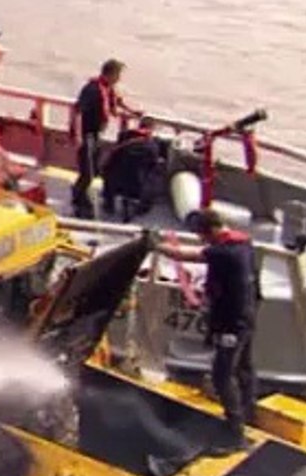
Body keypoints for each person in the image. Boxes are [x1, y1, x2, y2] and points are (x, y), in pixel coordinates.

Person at [155, 208, 259, 455]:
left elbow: (182, 254)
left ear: (211, 230)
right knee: (244, 367)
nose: (201, 239)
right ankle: (249, 414)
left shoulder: (224, 252)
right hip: (247, 316)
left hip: (232, 322)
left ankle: (236, 434)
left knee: (222, 376)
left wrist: (153, 245)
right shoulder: (244, 244)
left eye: (202, 235)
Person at [70, 59, 139, 218]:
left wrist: (134, 113)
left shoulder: (108, 89)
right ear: (110, 74)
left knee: (95, 169)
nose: (119, 79)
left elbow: (118, 103)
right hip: (87, 134)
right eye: (118, 75)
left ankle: (82, 194)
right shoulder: (92, 89)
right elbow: (78, 112)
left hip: (97, 134)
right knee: (87, 170)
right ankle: (79, 201)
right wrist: (79, 136)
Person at [99, 116, 160, 218]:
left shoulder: (124, 136)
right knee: (152, 174)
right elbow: (153, 162)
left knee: (111, 169)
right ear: (152, 129)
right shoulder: (152, 145)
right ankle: (143, 207)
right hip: (137, 183)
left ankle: (108, 203)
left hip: (116, 180)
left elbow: (115, 155)